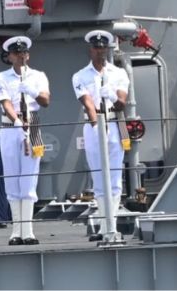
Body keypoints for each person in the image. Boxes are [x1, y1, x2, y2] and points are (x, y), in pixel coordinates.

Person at [72, 29, 129, 234]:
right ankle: (105, 225)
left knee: (115, 178)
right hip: (94, 125)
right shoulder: (80, 76)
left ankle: (110, 226)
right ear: (91, 49)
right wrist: (97, 126)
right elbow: (87, 103)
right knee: (98, 177)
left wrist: (112, 96)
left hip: (115, 123)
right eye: (97, 48)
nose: (100, 51)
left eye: (103, 47)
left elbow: (122, 103)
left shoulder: (119, 73)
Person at [0, 35, 50, 246]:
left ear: (28, 55)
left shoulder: (38, 76)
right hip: (11, 126)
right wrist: (17, 121)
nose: (20, 56)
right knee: (11, 178)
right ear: (9, 56)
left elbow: (45, 101)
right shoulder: (2, 77)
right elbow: (5, 102)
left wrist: (32, 90)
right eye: (16, 53)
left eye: (23, 52)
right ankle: (16, 231)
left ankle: (28, 231)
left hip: (32, 125)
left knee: (29, 179)